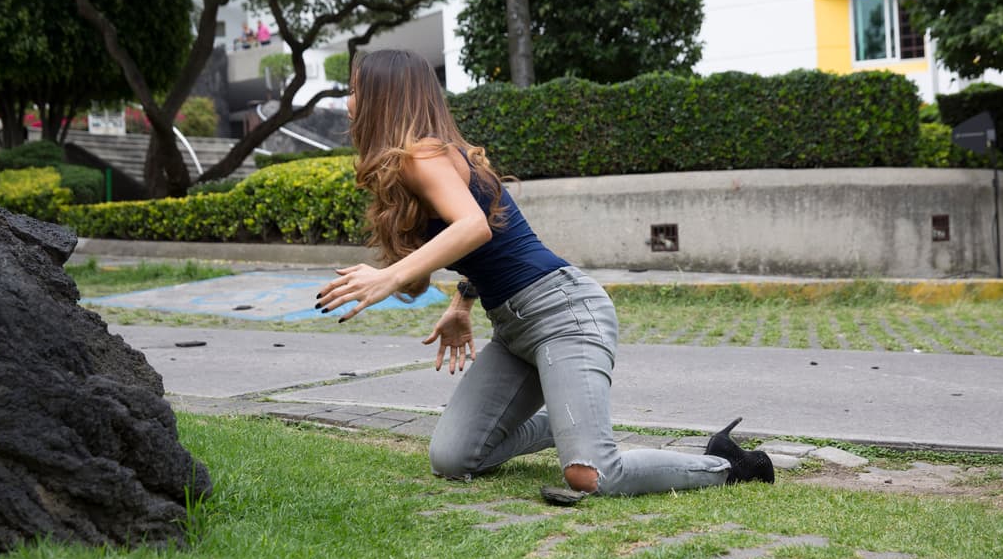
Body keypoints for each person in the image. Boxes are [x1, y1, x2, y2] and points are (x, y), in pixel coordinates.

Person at [315, 49, 773, 502]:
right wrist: (462, 302)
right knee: (452, 459)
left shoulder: (423, 155)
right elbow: (493, 236)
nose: (349, 102)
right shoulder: (423, 161)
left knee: (592, 476)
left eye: (355, 90)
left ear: (382, 96)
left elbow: (472, 225)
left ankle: (730, 464)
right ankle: (570, 421)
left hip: (565, 314)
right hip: (516, 329)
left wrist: (388, 277)